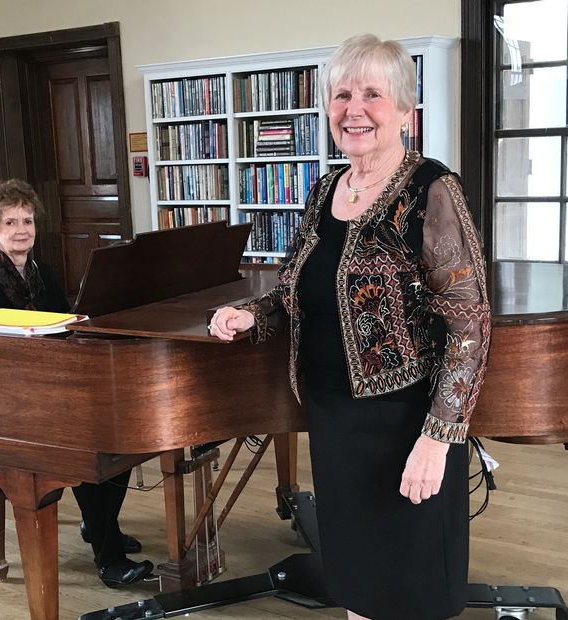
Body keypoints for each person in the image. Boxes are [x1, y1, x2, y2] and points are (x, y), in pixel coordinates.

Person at [209, 35, 491, 620]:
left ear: (405, 113)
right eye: (341, 95)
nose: (353, 109)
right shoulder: (322, 190)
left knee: (412, 586)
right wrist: (253, 314)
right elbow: (293, 288)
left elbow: (470, 320)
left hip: (407, 421)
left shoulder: (430, 190)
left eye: (372, 95)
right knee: (357, 580)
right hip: (334, 415)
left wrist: (440, 438)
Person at [0, 178, 154, 588]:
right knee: (84, 446)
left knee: (122, 436)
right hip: (11, 401)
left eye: (27, 221)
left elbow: (66, 326)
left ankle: (99, 524)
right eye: (10, 222)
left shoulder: (44, 273)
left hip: (56, 388)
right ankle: (109, 556)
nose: (21, 230)